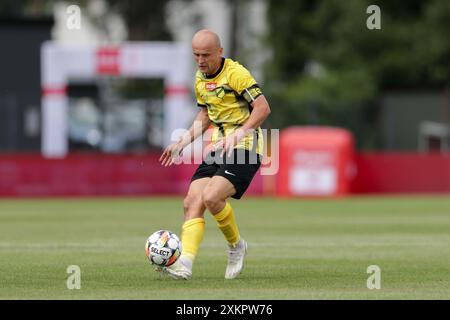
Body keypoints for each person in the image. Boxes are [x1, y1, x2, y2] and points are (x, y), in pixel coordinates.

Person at [158, 29, 271, 280]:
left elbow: (263, 108)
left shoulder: (236, 74)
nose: (200, 60)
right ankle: (185, 264)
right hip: (218, 146)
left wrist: (239, 134)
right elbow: (206, 115)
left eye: (206, 55)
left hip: (245, 147)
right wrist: (183, 141)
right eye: (196, 55)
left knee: (211, 197)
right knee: (191, 202)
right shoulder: (200, 79)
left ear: (220, 52)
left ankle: (236, 246)